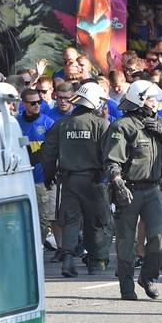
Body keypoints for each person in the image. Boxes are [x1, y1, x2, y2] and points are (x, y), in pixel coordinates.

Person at [104, 80, 162, 300]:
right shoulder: (122, 126)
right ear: (139, 101)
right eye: (150, 99)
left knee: (158, 237)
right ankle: (126, 287)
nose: (155, 103)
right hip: (128, 190)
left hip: (154, 190)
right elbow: (112, 161)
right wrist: (118, 183)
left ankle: (148, 277)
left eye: (156, 99)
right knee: (125, 242)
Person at [41, 83, 112, 277]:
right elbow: (109, 154)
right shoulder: (100, 124)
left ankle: (68, 260)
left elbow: (48, 153)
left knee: (70, 220)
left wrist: (49, 177)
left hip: (69, 181)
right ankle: (96, 262)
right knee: (95, 221)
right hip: (94, 181)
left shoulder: (62, 124)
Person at [17, 85, 59, 265]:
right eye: (32, 103)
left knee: (44, 218)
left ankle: (38, 247)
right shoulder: (16, 123)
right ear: (24, 104)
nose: (37, 105)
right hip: (21, 181)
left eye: (39, 102)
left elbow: (53, 151)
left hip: (42, 180)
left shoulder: (48, 123)